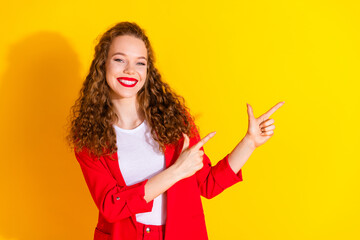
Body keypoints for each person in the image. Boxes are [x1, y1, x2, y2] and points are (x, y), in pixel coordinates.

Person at [66, 21, 285, 240]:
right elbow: (112, 206)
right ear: (103, 64)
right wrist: (177, 171)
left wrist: (250, 142)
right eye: (119, 59)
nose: (130, 70)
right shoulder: (89, 134)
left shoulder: (174, 120)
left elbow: (208, 184)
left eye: (140, 63)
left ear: (148, 70)